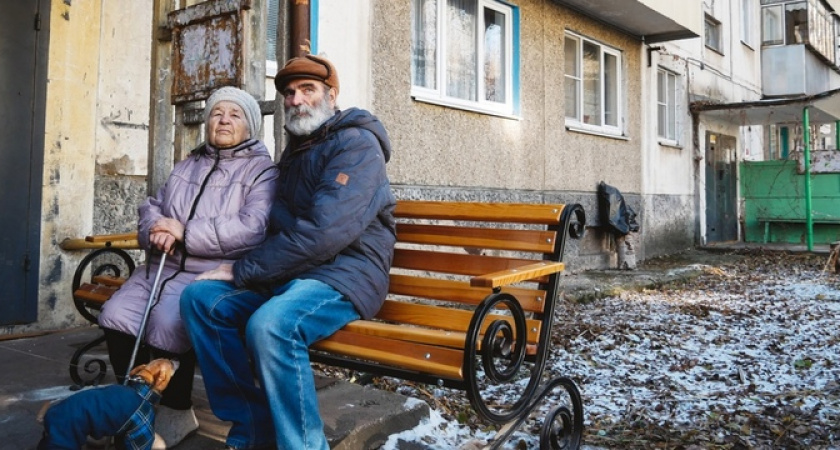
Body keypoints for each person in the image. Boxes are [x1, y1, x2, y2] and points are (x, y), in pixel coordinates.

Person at [180, 54, 396, 450]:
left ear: (332, 95)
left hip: (345, 274)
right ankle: (253, 428)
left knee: (272, 325)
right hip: (295, 272)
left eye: (307, 90)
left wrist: (243, 269)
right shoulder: (298, 148)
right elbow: (277, 225)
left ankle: (303, 445)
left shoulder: (356, 145)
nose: (295, 100)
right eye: (289, 93)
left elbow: (324, 233)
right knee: (200, 299)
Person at [98, 86, 279, 449]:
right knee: (117, 314)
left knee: (168, 322)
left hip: (212, 271)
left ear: (250, 125)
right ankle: (131, 402)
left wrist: (186, 232)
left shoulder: (262, 171)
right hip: (162, 267)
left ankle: (177, 409)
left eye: (235, 114)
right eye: (216, 114)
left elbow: (253, 228)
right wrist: (157, 228)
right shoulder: (188, 163)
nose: (224, 120)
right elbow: (154, 205)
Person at [38, 359, 178, 450]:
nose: (175, 365)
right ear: (162, 381)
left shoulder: (124, 391)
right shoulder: (142, 409)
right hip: (67, 423)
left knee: (53, 440)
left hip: (59, 412)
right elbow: (140, 444)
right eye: (172, 371)